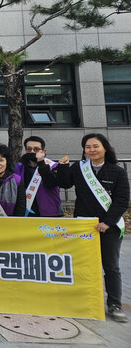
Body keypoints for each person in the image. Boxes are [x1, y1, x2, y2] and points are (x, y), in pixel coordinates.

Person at [56, 133, 129, 322]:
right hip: (84, 226)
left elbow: (122, 200)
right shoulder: (79, 168)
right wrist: (62, 167)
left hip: (110, 227)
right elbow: (64, 184)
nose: (92, 150)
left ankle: (114, 304)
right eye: (88, 147)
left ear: (105, 148)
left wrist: (107, 222)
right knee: (82, 264)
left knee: (111, 266)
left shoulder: (117, 171)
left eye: (96, 146)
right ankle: (82, 301)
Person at [14, 136, 63, 217]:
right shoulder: (19, 167)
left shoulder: (53, 166)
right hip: (26, 211)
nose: (32, 152)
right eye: (29, 149)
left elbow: (51, 184)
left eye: (36, 149)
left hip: (50, 212)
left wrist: (41, 163)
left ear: (43, 151)